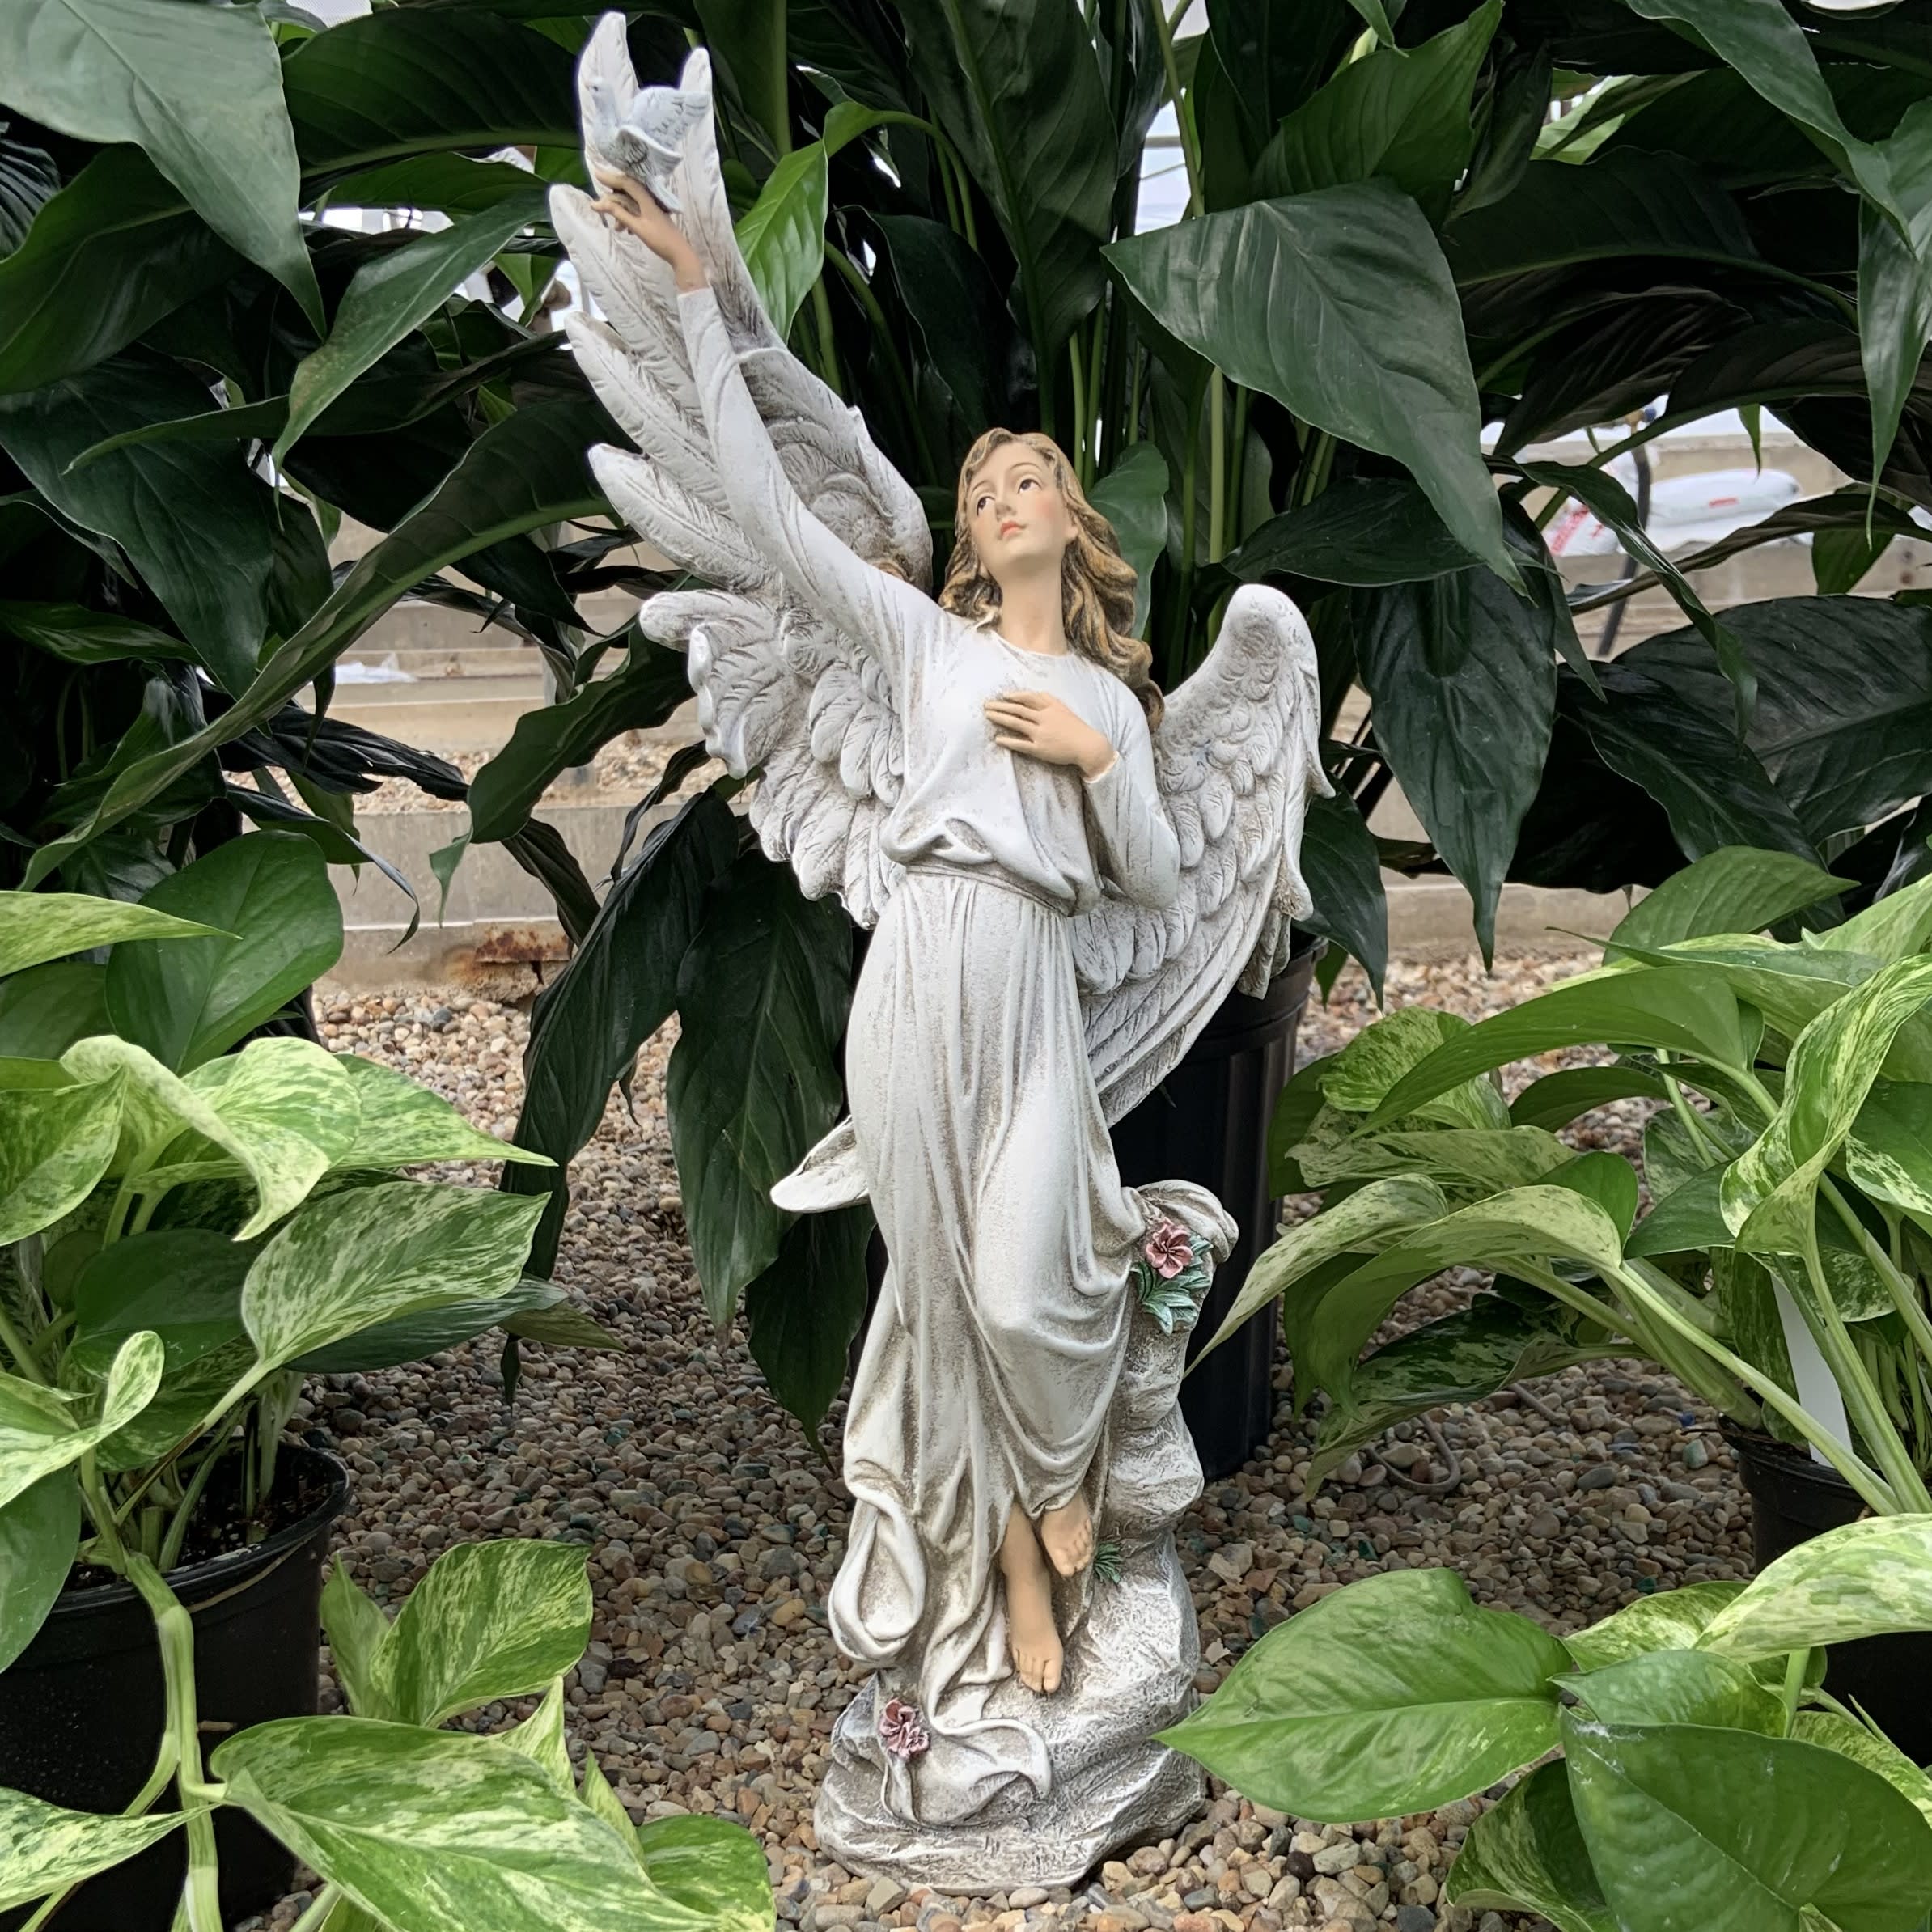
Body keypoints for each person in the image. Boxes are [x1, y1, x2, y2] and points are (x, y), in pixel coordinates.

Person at [591, 165, 1181, 1788]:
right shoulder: (928, 648)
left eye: (1028, 476)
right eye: (982, 486)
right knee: (936, 1305)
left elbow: (1155, 875)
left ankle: (1060, 1481)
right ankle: (1012, 1581)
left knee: (1024, 1292)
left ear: (1071, 516)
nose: (1002, 495)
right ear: (970, 530)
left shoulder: (1106, 705)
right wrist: (700, 290)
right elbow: (772, 515)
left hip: (1030, 986)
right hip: (916, 974)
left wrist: (1091, 758)